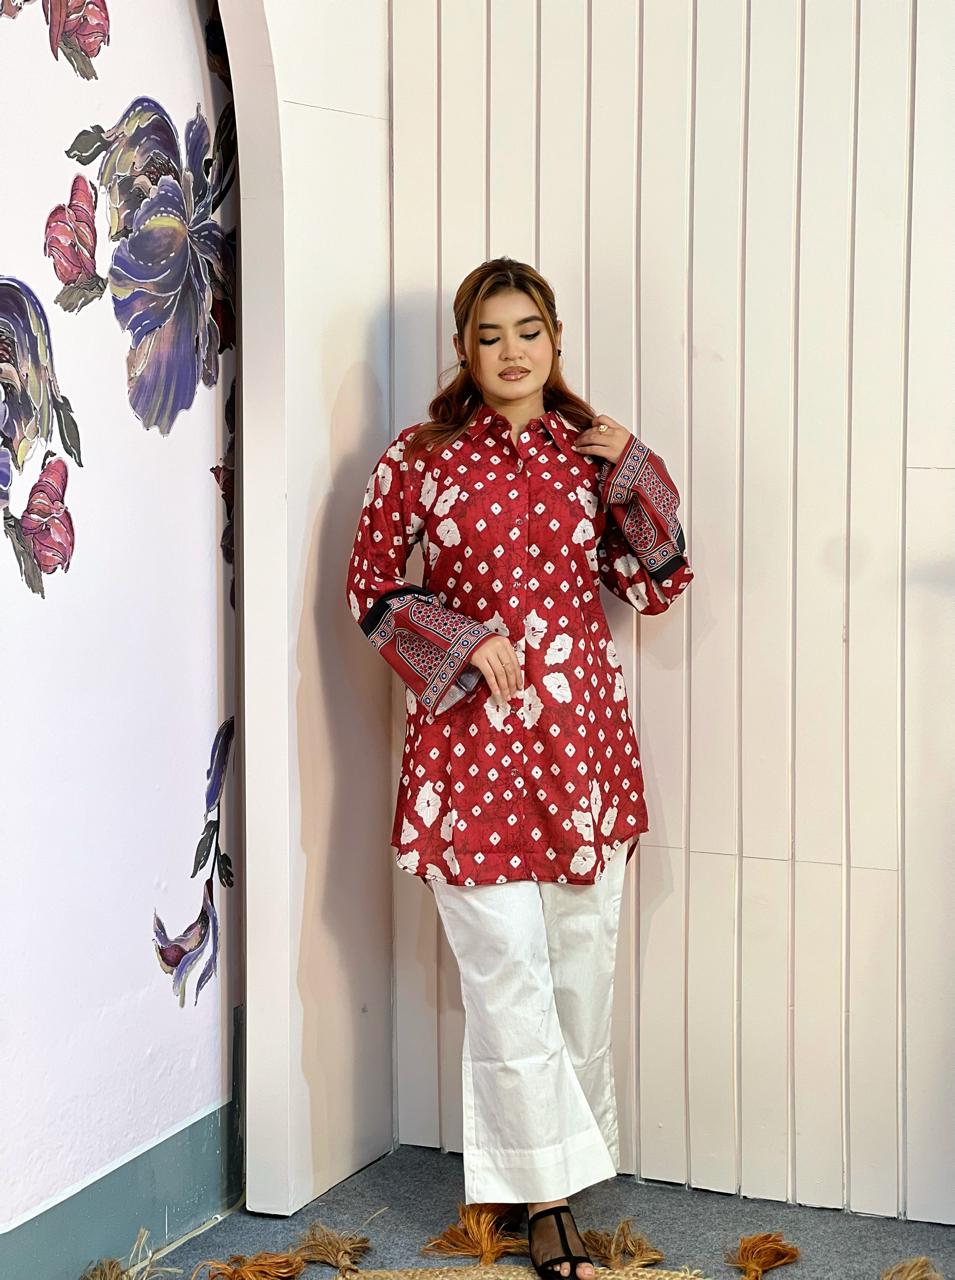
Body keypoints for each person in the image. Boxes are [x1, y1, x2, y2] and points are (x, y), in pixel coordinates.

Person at [344, 257, 693, 1280]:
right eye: (488, 335)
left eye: (527, 331)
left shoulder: (587, 455)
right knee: (506, 973)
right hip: (470, 747)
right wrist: (459, 638)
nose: (510, 351)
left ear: (554, 338)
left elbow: (658, 581)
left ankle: (547, 1175)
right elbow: (369, 587)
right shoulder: (420, 456)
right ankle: (547, 1206)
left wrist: (635, 468)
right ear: (464, 348)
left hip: (581, 746)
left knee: (579, 969)